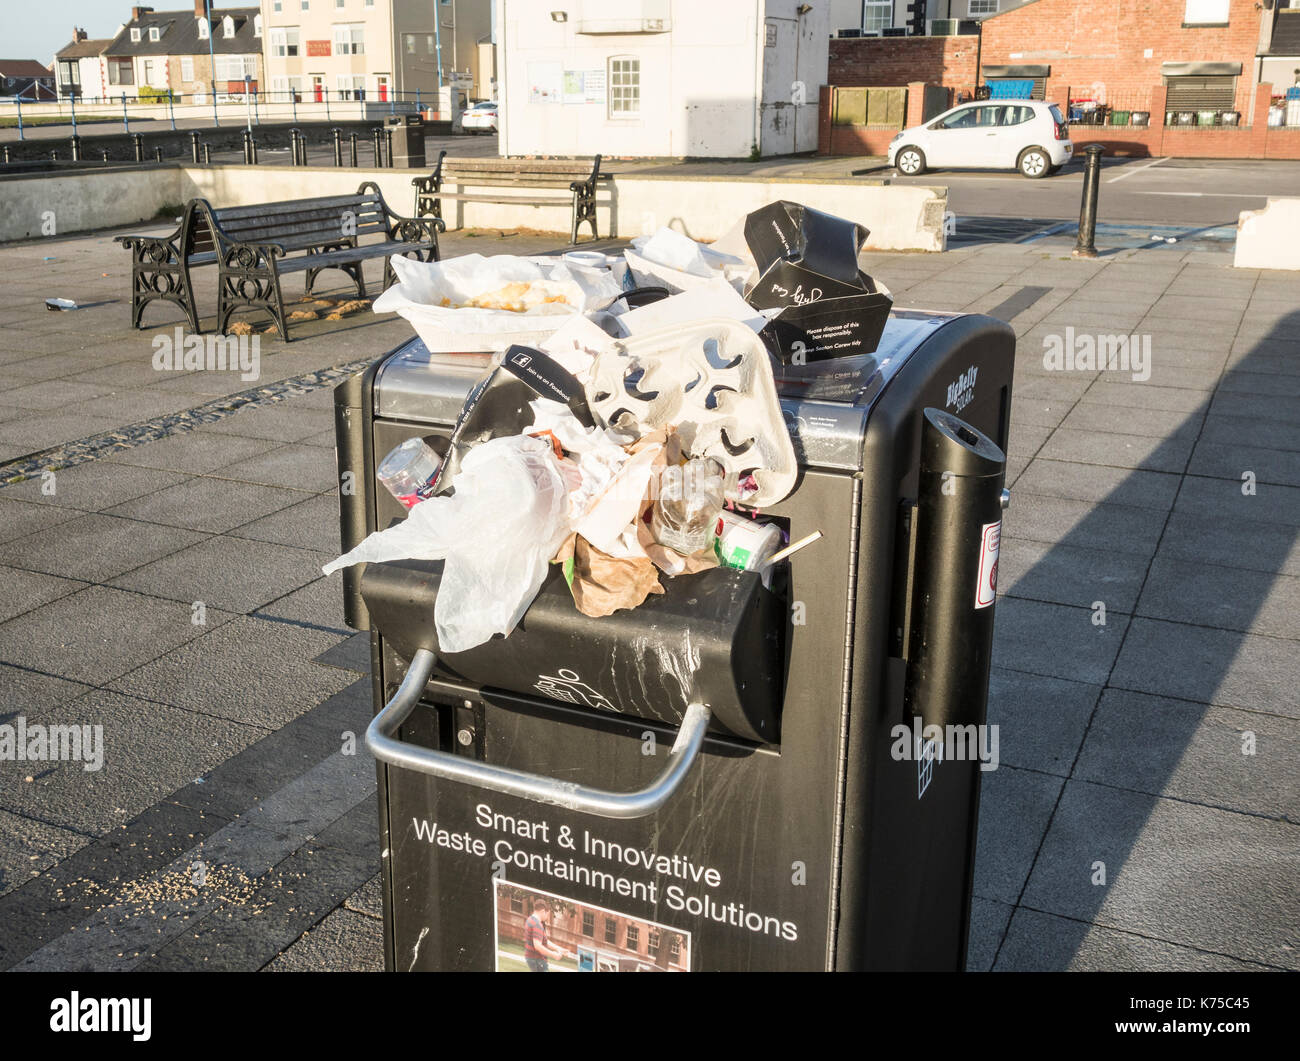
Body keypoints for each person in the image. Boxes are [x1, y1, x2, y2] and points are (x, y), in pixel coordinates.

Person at [522, 899, 571, 972]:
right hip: (537, 960)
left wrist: (560, 949)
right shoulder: (537, 924)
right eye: (547, 914)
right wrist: (554, 955)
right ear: (542, 911)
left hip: (532, 958)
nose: (547, 917)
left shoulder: (530, 920)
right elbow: (538, 946)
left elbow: (544, 941)